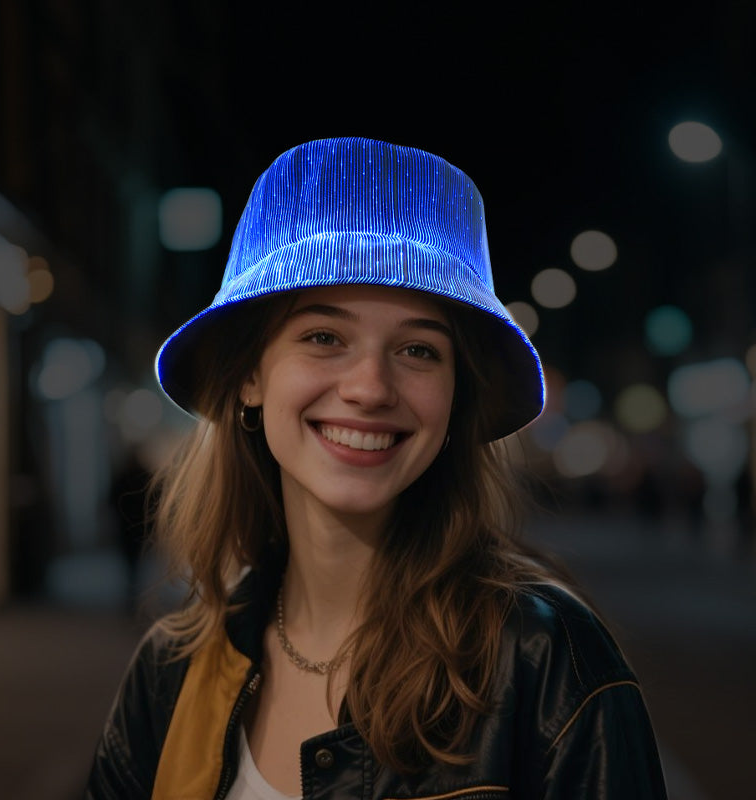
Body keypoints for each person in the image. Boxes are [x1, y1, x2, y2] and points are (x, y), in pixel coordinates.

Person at [86, 137, 668, 799]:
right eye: (324, 337)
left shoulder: (546, 662)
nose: (369, 387)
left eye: (419, 349)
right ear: (250, 375)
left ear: (456, 400)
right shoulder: (170, 671)